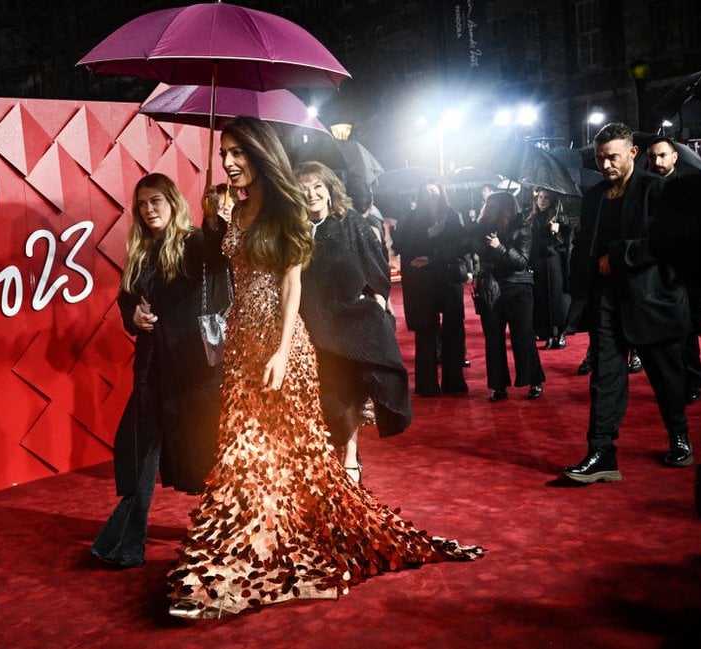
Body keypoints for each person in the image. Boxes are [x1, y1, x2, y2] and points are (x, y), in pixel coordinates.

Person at [167, 117, 481, 619]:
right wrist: (216, 219)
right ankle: (247, 555)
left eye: (237, 153)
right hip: (241, 347)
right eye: (224, 152)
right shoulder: (234, 208)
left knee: (266, 456)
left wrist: (281, 348)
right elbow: (225, 268)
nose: (227, 162)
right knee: (251, 456)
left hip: (282, 349)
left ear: (260, 153)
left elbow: (291, 284)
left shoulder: (284, 206)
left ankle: (226, 575)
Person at [91, 173, 224, 568]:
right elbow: (126, 299)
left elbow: (219, 259)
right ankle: (126, 542)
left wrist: (215, 220)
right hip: (153, 368)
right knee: (139, 452)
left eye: (156, 202)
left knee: (206, 453)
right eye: (143, 204)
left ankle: (224, 532)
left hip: (194, 370)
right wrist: (133, 315)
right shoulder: (140, 251)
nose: (149, 210)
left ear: (173, 202)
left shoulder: (195, 242)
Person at [563, 123, 693, 484]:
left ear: (633, 153)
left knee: (666, 377)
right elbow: (585, 246)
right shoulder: (592, 198)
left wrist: (618, 256)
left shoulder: (658, 188)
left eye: (613, 157)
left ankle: (679, 435)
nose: (605, 166)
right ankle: (602, 451)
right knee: (605, 377)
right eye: (600, 158)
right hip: (607, 299)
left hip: (653, 299)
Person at [294, 160, 412, 484]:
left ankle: (349, 460)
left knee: (343, 393)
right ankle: (334, 459)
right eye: (304, 189)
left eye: (317, 186)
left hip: (347, 326)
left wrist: (376, 303)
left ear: (330, 190)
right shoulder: (295, 231)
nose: (312, 194)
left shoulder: (350, 224)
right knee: (322, 399)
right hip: (308, 328)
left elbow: (377, 270)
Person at [392, 179, 469, 396]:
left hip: (447, 278)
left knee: (453, 328)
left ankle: (453, 381)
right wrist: (428, 235)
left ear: (442, 193)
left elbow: (462, 244)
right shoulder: (411, 218)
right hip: (423, 283)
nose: (431, 195)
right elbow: (402, 246)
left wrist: (434, 257)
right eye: (426, 192)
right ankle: (427, 385)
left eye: (434, 191)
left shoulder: (452, 214)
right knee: (426, 331)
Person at [647, 137, 701, 405]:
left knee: (687, 332)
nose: (657, 161)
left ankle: (692, 381)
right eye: (652, 157)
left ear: (674, 157)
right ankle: (671, 383)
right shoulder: (644, 188)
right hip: (654, 272)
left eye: (662, 156)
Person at [473, 191, 546, 401]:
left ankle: (534, 380)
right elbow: (467, 246)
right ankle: (498, 386)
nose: (486, 208)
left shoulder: (522, 228)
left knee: (523, 337)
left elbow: (522, 262)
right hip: (491, 290)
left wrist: (500, 248)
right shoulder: (482, 228)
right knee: (493, 340)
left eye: (490, 205)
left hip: (518, 289)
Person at [527, 189, 572, 350]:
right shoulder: (532, 218)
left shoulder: (560, 218)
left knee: (555, 297)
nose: (542, 201)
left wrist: (557, 233)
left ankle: (560, 333)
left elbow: (566, 244)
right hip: (538, 263)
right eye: (540, 197)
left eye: (546, 198)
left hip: (553, 262)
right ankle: (547, 332)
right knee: (542, 298)